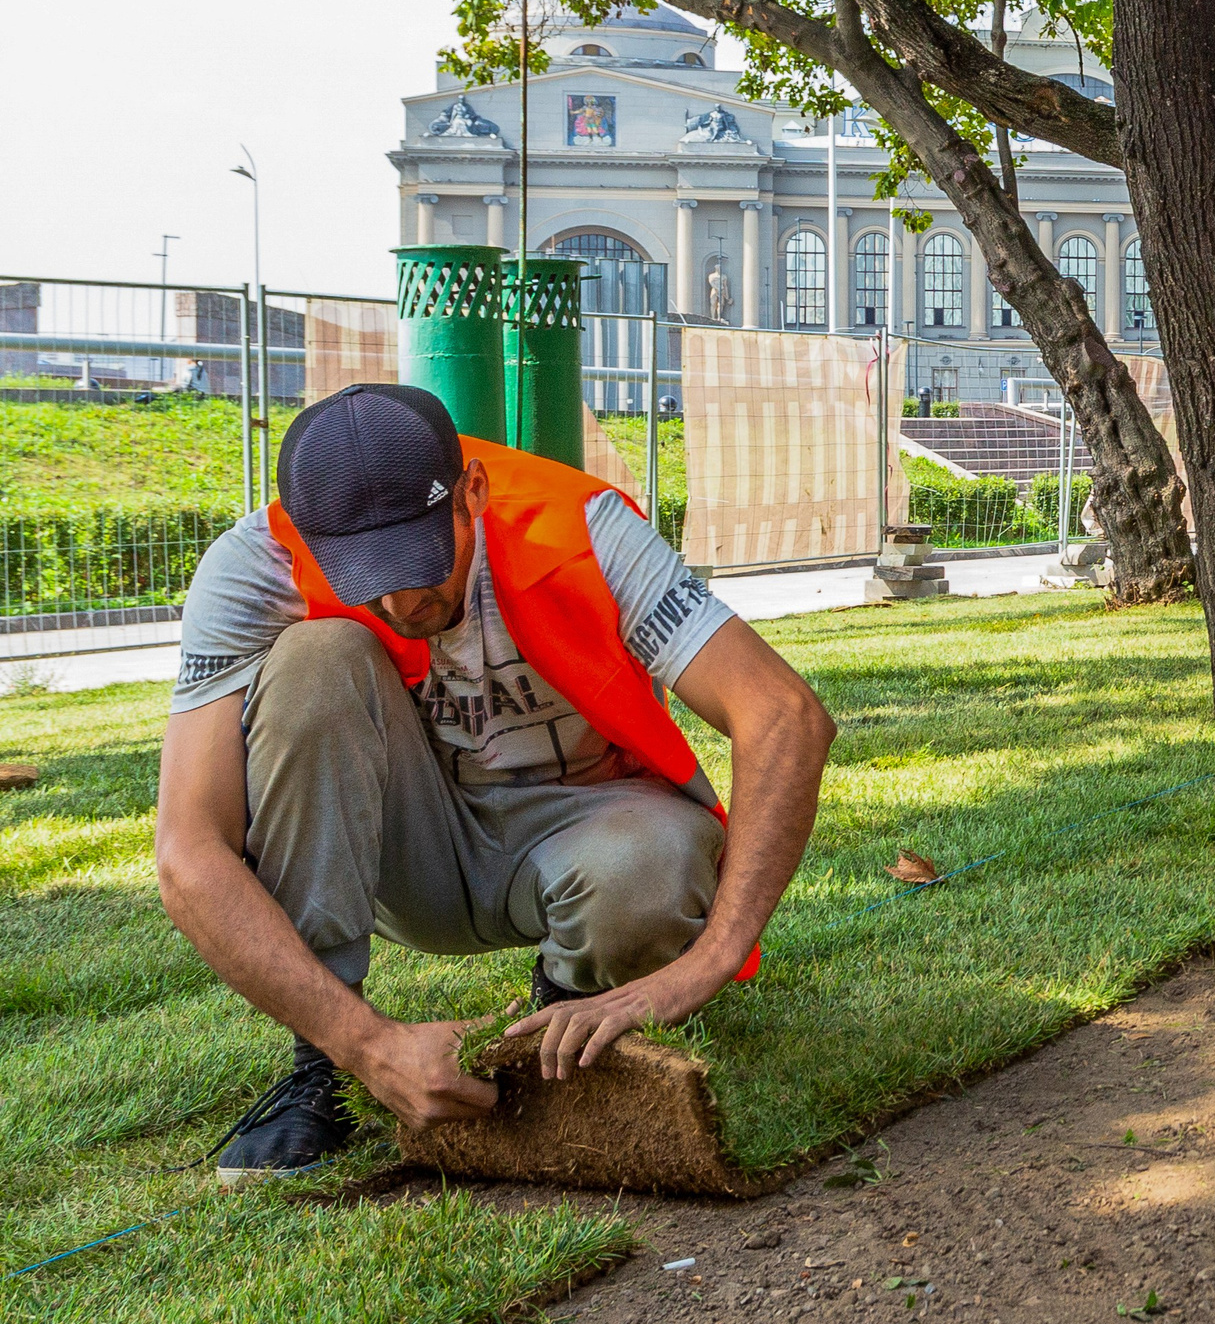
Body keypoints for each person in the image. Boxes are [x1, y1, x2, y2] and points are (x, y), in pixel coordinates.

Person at [154, 385, 837, 1185]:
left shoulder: (582, 529)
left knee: (654, 864)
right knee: (315, 662)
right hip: (409, 838)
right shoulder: (253, 564)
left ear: (472, 491)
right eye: (366, 574)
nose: (402, 600)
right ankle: (322, 1073)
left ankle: (559, 1017)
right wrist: (366, 1044)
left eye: (419, 562)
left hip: (579, 823)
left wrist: (709, 961)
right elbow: (187, 853)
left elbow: (786, 716)